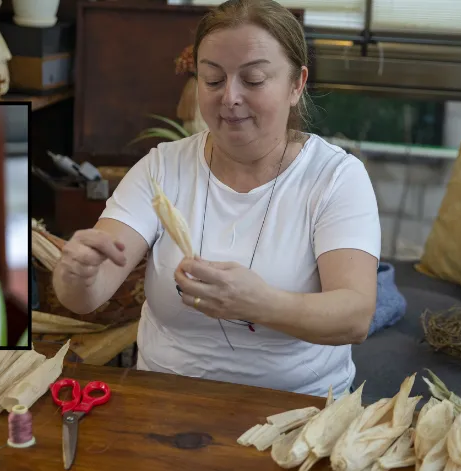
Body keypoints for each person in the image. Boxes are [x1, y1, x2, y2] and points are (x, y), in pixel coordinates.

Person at [53, 0, 380, 398]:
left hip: (299, 411)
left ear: (297, 84)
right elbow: (86, 297)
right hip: (166, 401)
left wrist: (258, 303)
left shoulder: (335, 178)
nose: (229, 97)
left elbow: (355, 316)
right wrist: (77, 274)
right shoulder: (162, 168)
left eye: (254, 80)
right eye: (212, 79)